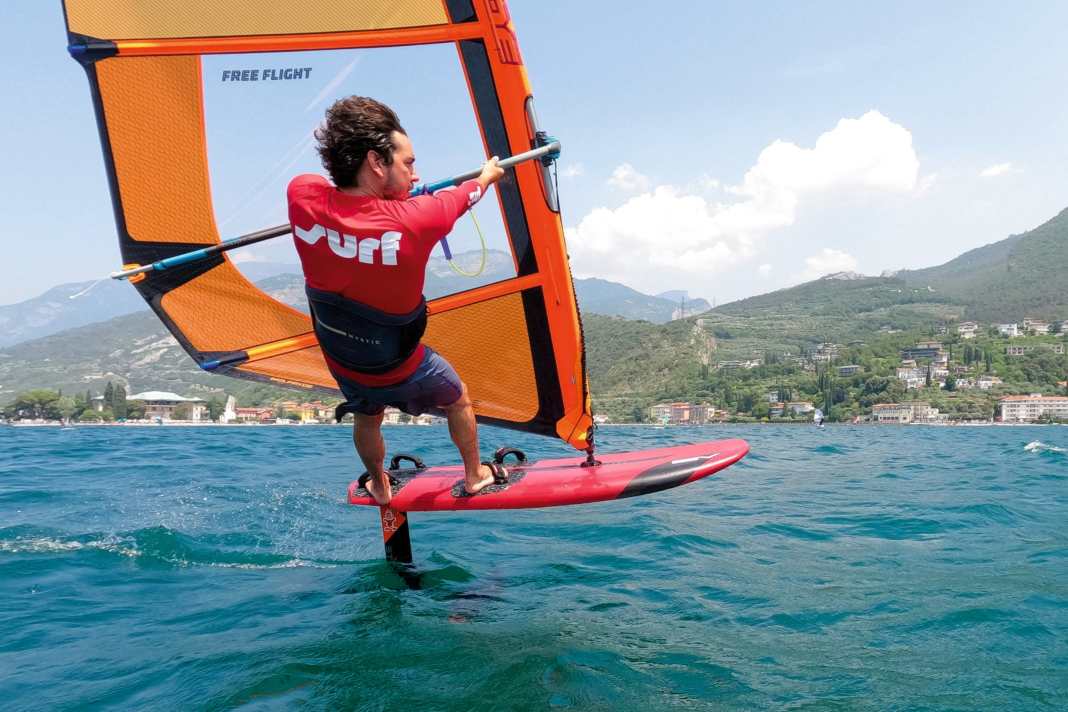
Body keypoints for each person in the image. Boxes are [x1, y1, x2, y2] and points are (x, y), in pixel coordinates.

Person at [288, 96, 506, 506]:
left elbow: (336, 197)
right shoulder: (419, 217)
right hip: (401, 366)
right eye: (407, 163)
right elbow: (468, 193)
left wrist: (391, 197)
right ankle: (475, 475)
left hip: (346, 363)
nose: (415, 172)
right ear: (376, 162)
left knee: (367, 414)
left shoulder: (301, 197)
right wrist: (489, 175)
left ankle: (379, 483)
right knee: (458, 398)